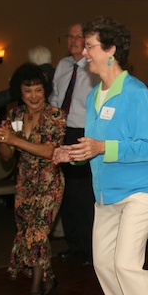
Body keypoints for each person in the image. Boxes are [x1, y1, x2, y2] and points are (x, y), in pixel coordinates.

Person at [52, 16, 148, 295]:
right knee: (104, 263)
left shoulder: (136, 93)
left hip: (141, 191)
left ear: (111, 50)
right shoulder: (93, 96)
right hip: (106, 193)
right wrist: (69, 153)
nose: (84, 52)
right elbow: (93, 148)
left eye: (89, 46)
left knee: (126, 264)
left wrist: (103, 145)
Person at [0, 63, 66, 295]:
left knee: (37, 233)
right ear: (19, 93)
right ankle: (49, 279)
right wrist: (3, 140)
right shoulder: (15, 116)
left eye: (38, 90)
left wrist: (14, 140)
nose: (34, 96)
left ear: (45, 90)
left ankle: (35, 292)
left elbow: (49, 151)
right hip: (24, 183)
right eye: (28, 91)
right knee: (29, 234)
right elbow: (7, 156)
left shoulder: (55, 115)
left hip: (49, 182)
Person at [50, 22, 100, 266]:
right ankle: (75, 244)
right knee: (66, 193)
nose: (73, 41)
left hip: (85, 133)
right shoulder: (63, 65)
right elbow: (56, 99)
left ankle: (92, 250)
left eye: (78, 37)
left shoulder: (93, 68)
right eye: (69, 36)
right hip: (63, 132)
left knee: (83, 195)